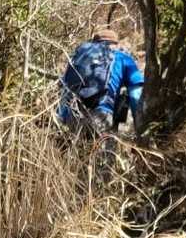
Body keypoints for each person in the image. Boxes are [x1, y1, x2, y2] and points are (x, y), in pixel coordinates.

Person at [58, 26, 144, 165]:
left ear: (94, 42)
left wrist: (61, 118)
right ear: (115, 44)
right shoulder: (123, 58)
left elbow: (65, 88)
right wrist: (141, 132)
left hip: (72, 115)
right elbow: (135, 95)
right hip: (102, 117)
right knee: (102, 165)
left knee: (72, 162)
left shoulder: (80, 55)